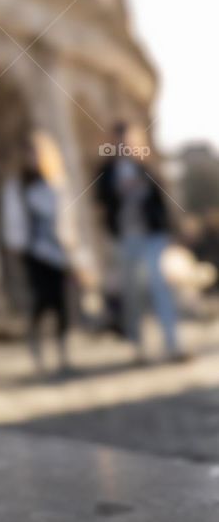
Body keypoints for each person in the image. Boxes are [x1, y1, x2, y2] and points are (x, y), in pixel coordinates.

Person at [96, 121, 186, 361]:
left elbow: (162, 200)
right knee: (133, 293)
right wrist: (120, 193)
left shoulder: (145, 167)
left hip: (151, 235)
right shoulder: (107, 171)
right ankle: (138, 347)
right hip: (125, 237)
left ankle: (172, 343)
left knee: (160, 287)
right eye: (120, 141)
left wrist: (169, 231)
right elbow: (101, 202)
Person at [1, 130, 77, 375]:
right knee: (41, 302)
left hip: (59, 251)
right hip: (33, 251)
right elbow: (12, 218)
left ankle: (63, 354)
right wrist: (16, 244)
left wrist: (73, 247)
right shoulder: (18, 185)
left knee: (62, 304)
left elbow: (68, 218)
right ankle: (38, 353)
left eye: (36, 153)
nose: (33, 158)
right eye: (29, 154)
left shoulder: (56, 183)